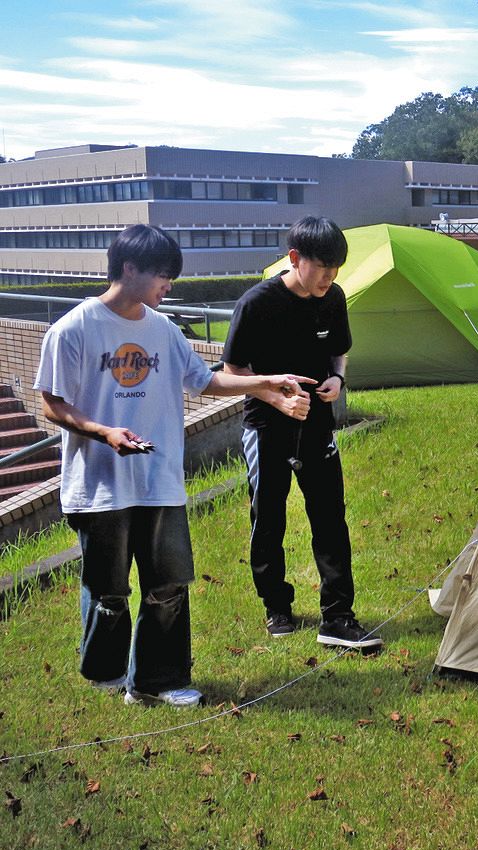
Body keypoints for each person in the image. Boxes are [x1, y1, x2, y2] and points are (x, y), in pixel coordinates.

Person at [34, 224, 315, 707]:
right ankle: (107, 672)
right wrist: (105, 433)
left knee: (168, 586)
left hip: (158, 480)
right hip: (101, 485)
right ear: (129, 268)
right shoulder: (74, 329)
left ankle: (155, 682)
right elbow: (51, 404)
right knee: (110, 592)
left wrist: (266, 380)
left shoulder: (162, 329)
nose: (169, 287)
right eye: (164, 276)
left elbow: (204, 381)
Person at [222, 216, 382, 650]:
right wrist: (276, 397)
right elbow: (234, 370)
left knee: (330, 517)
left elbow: (339, 351)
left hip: (317, 426)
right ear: (295, 259)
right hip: (266, 425)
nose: (330, 279)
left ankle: (339, 615)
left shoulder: (333, 297)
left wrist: (337, 379)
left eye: (336, 271)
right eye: (322, 269)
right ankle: (276, 604)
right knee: (268, 518)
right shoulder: (257, 303)